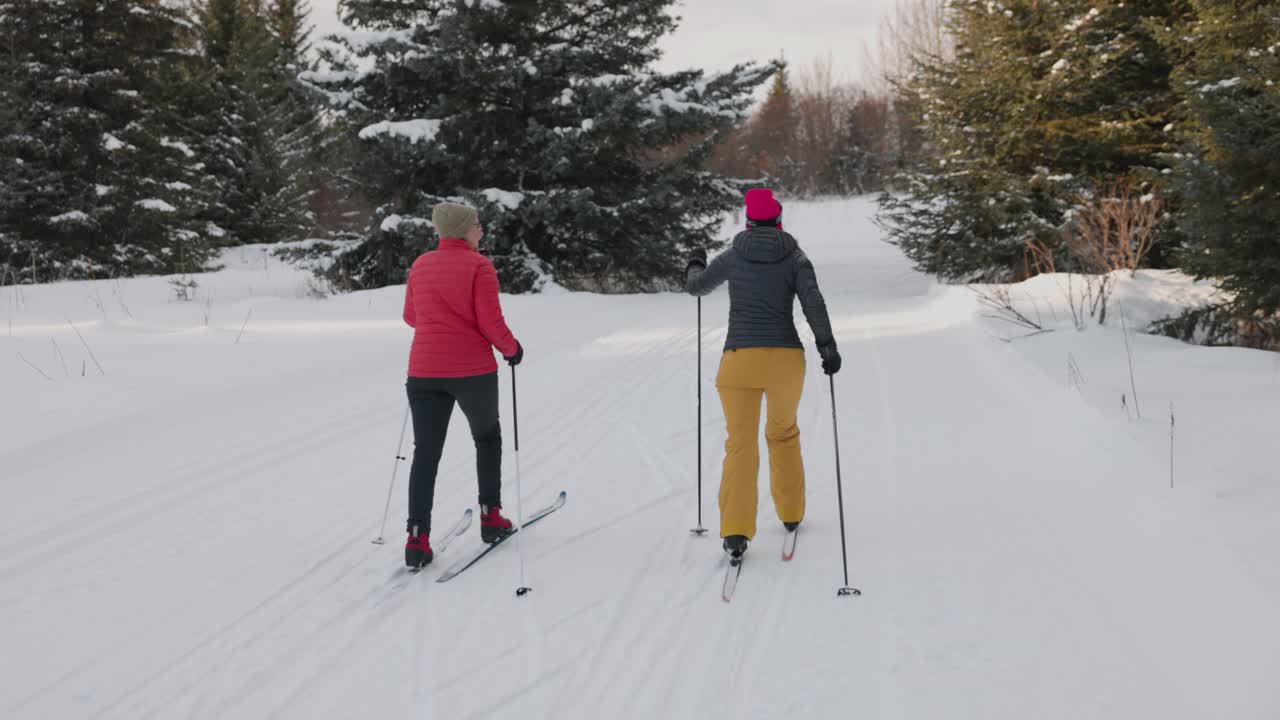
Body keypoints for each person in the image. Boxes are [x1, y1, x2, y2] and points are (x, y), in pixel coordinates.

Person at [686, 188, 840, 558]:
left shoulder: (733, 256)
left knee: (740, 444)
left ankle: (736, 532)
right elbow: (813, 303)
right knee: (783, 432)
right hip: (786, 361)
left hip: (739, 359)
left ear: (749, 220)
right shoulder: (796, 257)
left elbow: (696, 287)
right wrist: (827, 346)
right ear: (779, 219)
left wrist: (694, 261)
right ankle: (790, 514)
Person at [401, 202, 525, 568]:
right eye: (476, 225)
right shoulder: (479, 266)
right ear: (460, 229)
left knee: (425, 452)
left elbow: (411, 317)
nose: (481, 229)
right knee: (487, 437)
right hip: (472, 371)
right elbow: (490, 320)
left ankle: (416, 539)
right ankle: (491, 517)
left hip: (423, 372)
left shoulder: (420, 265)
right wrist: (512, 349)